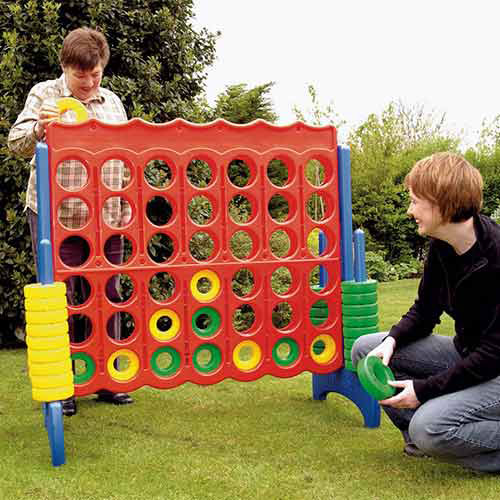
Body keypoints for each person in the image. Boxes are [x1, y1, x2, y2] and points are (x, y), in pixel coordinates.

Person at [8, 27, 133, 416]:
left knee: (108, 298)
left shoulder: (112, 101)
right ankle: (66, 388)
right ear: (65, 67)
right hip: (56, 217)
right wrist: (41, 128)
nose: (90, 82)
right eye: (82, 75)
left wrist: (126, 202)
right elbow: (15, 144)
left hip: (109, 217)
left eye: (96, 74)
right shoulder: (45, 95)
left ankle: (107, 380)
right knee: (62, 301)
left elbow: (126, 153)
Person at [352, 152, 500, 473]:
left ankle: (431, 431)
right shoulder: (441, 245)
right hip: (467, 353)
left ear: (443, 203)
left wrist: (424, 390)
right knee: (367, 350)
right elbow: (425, 310)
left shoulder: (496, 257)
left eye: (416, 201)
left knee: (429, 427)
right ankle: (419, 437)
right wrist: (392, 341)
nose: (410, 210)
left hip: (496, 368)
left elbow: (493, 354)